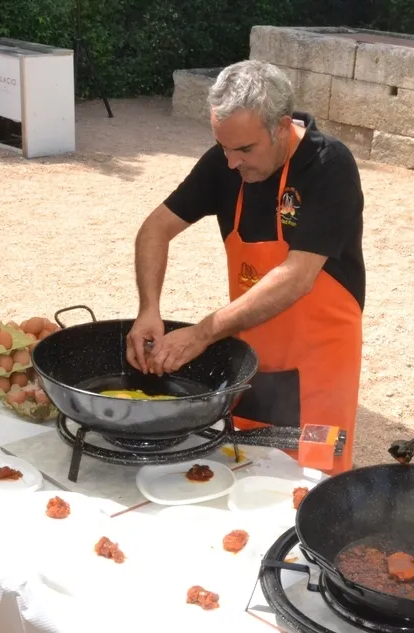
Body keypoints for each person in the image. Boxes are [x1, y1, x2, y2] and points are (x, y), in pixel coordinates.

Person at [126, 60, 365, 474]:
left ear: (282, 127)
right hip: (250, 355)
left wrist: (202, 333)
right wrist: (149, 308)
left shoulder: (328, 166)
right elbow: (154, 230)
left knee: (311, 480)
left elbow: (297, 277)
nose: (231, 162)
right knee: (246, 469)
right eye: (224, 147)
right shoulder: (226, 163)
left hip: (319, 364)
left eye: (244, 150)